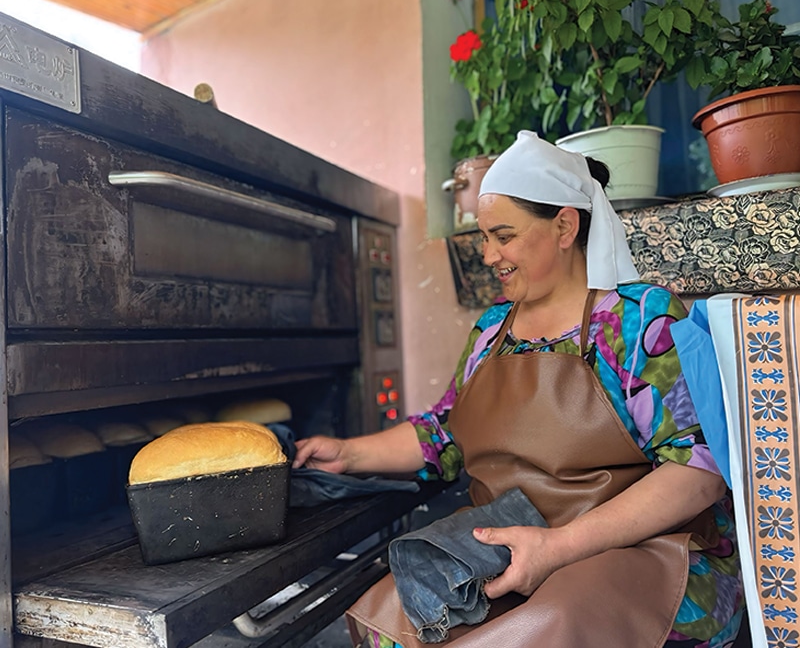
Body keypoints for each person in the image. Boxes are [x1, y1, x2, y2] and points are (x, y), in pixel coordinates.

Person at [293, 131, 744, 648]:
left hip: (643, 553)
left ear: (564, 226)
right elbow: (445, 436)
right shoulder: (492, 330)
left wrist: (559, 548)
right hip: (505, 546)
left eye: (503, 236)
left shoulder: (637, 320)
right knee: (395, 612)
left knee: (552, 624)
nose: (488, 254)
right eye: (483, 237)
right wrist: (347, 454)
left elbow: (699, 472)